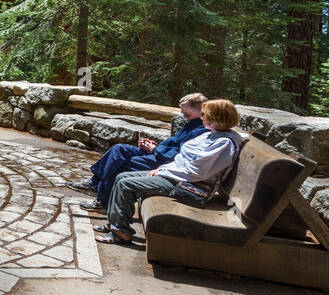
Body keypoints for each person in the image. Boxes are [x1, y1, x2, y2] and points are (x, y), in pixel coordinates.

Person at [96, 99, 244, 245]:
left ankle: (120, 233)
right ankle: (115, 223)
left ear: (216, 118)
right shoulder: (212, 134)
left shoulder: (224, 143)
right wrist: (162, 169)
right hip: (177, 175)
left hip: (189, 185)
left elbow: (197, 172)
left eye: (204, 114)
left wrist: (164, 172)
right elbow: (183, 159)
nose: (201, 117)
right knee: (121, 176)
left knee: (126, 185)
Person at [68, 92, 209, 213]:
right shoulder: (192, 123)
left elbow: (180, 155)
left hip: (165, 162)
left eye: (186, 113)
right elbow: (173, 144)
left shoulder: (201, 130)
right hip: (158, 153)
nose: (183, 116)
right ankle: (93, 183)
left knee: (120, 164)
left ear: (199, 110)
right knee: (119, 149)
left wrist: (155, 149)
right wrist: (155, 146)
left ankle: (103, 203)